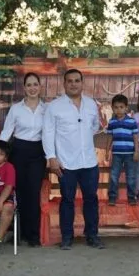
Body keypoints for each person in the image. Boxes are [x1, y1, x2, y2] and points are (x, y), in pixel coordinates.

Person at [42, 68, 105, 250]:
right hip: (66, 163)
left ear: (82, 83)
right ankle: (67, 237)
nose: (73, 84)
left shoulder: (91, 104)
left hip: (89, 162)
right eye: (69, 81)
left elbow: (94, 126)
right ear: (64, 84)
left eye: (77, 80)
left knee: (91, 199)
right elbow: (47, 132)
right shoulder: (55, 107)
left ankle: (92, 235)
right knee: (67, 200)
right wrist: (52, 158)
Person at [0, 72, 46, 247]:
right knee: (18, 193)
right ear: (24, 88)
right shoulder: (16, 108)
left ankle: (33, 236)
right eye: (29, 85)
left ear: (40, 87)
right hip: (18, 151)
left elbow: (50, 133)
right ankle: (18, 234)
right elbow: (6, 132)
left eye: (35, 84)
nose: (32, 88)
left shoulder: (46, 109)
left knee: (33, 194)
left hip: (38, 152)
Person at [105, 94, 139, 206]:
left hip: (130, 154)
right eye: (116, 107)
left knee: (131, 177)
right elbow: (110, 137)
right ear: (112, 108)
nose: (118, 109)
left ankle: (131, 197)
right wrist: (107, 150)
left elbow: (135, 137)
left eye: (121, 107)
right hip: (116, 154)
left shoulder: (131, 121)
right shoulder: (112, 122)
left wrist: (136, 152)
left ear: (126, 108)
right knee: (114, 176)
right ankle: (112, 197)